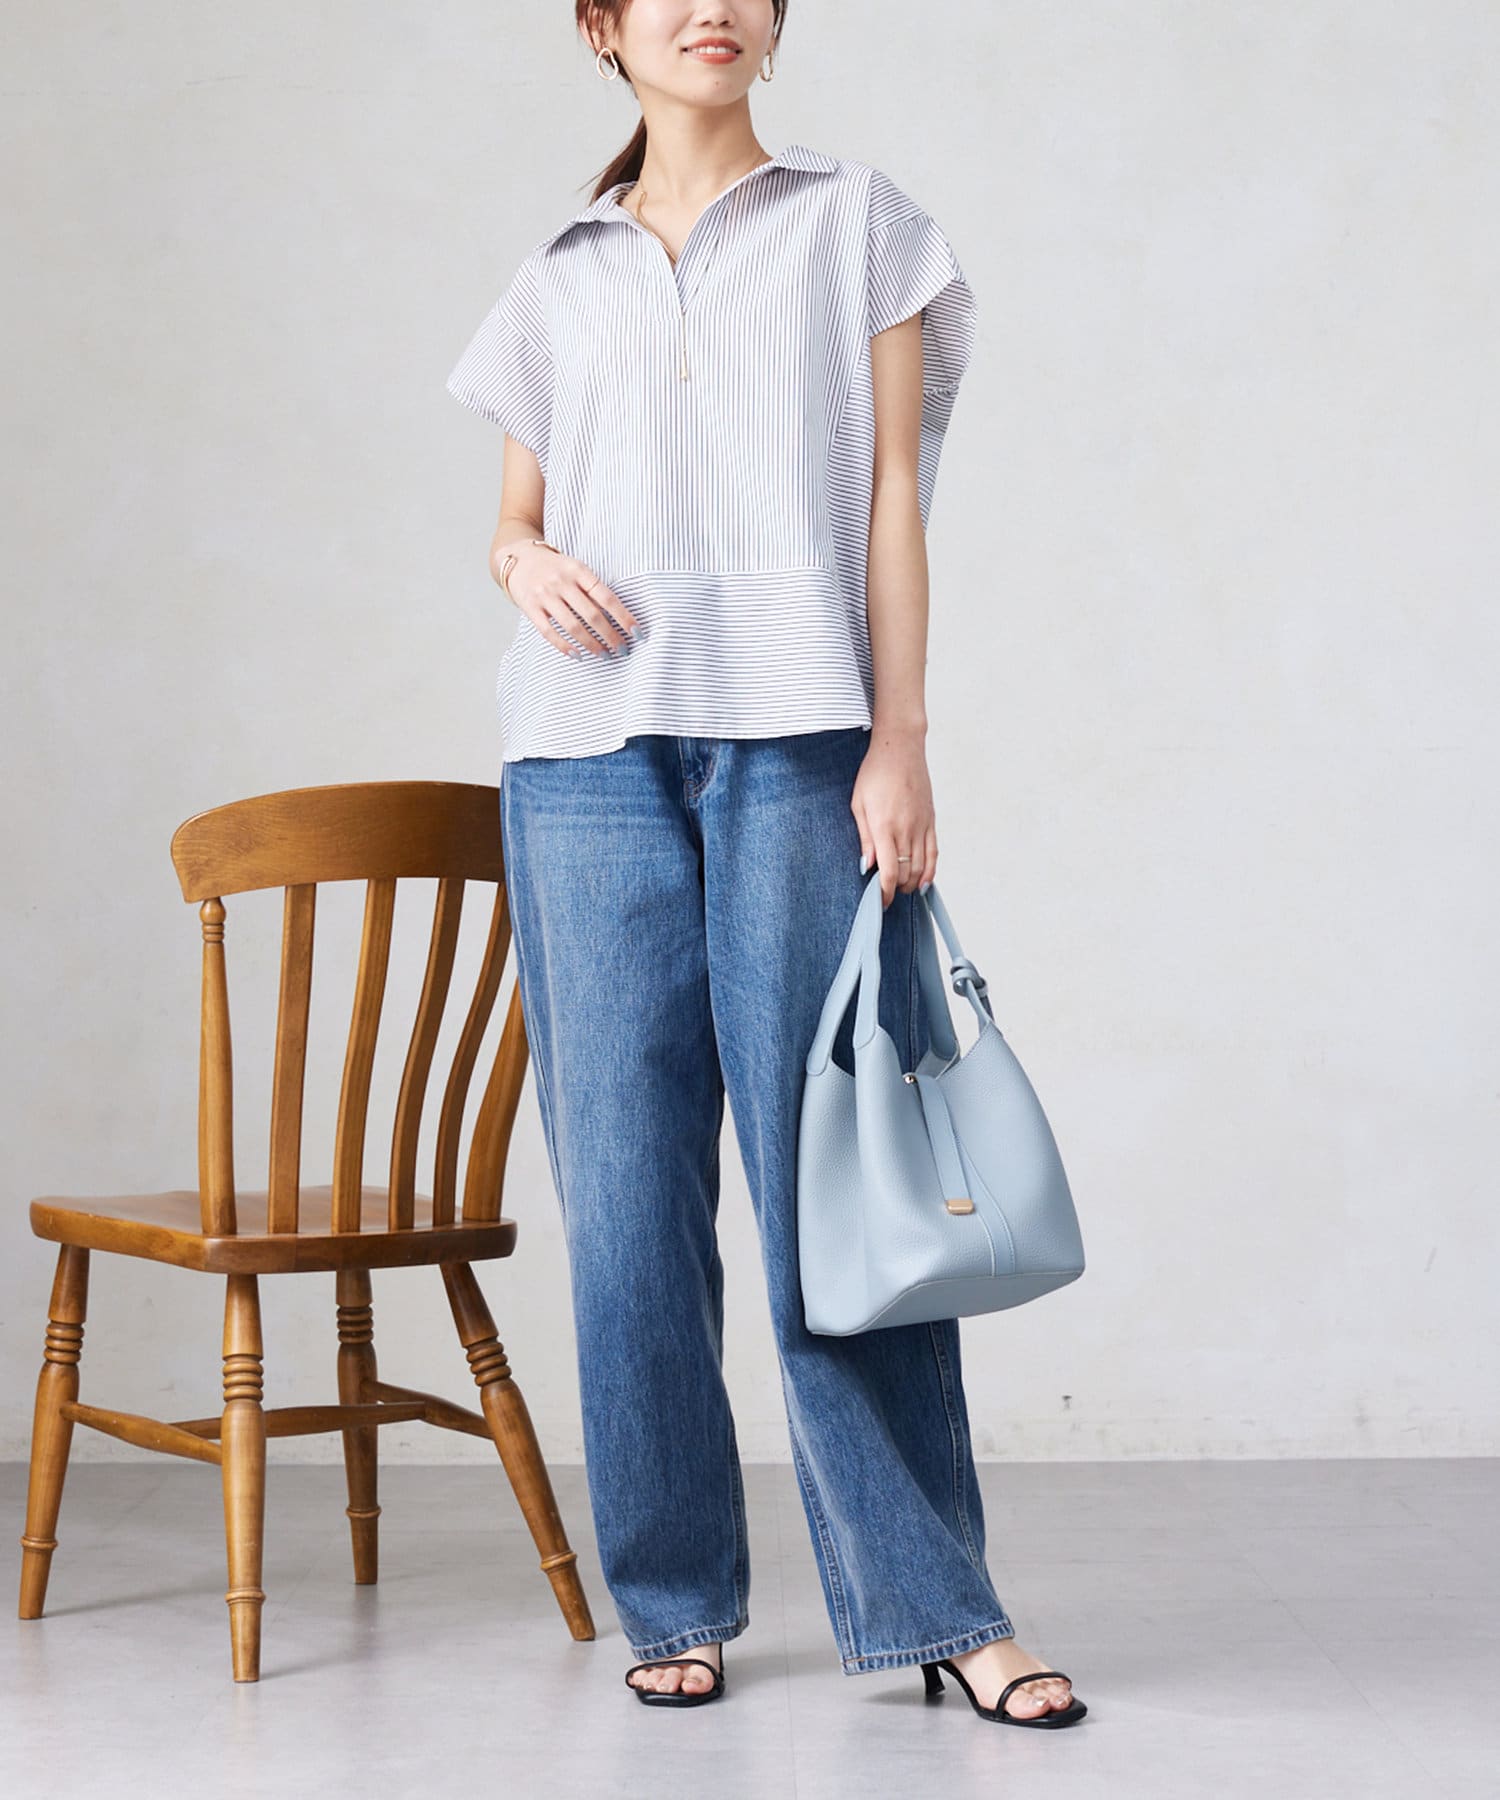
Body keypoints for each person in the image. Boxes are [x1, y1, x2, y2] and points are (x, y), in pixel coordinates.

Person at [445, 0, 1086, 1729]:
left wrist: (902, 738)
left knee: (834, 1191)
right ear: (604, 28)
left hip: (799, 742)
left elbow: (892, 497)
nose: (709, 8)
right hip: (582, 759)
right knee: (625, 1202)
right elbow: (513, 518)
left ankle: (941, 1606)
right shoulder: (559, 272)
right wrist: (521, 566)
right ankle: (674, 1596)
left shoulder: (858, 221)